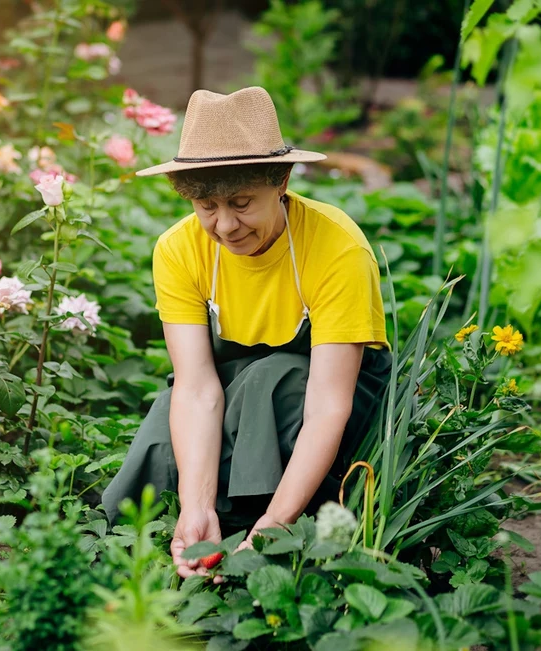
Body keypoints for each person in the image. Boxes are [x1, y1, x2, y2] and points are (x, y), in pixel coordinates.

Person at [100, 86, 392, 580]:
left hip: (327, 388)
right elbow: (195, 388)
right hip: (229, 381)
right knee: (165, 427)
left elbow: (327, 405)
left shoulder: (336, 248)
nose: (225, 225)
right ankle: (193, 528)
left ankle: (262, 521)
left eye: (241, 202)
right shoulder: (177, 250)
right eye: (206, 206)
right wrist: (195, 505)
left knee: (273, 380)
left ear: (281, 180)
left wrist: (273, 524)